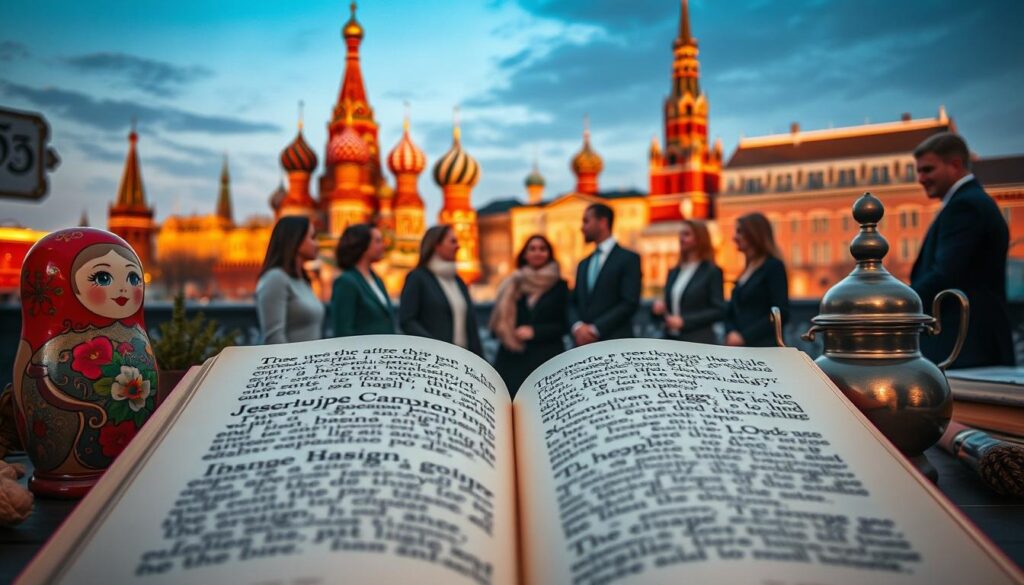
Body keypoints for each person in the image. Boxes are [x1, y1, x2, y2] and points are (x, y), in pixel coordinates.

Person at [911, 132, 1014, 367]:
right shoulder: (971, 201)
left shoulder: (964, 206)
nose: (920, 178)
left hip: (964, 342)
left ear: (955, 165)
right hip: (973, 339)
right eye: (918, 171)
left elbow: (945, 274)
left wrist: (897, 301)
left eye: (927, 169)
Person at [490, 235, 569, 397]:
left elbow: (565, 324)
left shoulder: (560, 286)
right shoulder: (513, 283)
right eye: (532, 249)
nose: (537, 253)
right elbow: (498, 321)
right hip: (512, 358)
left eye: (542, 249)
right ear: (524, 254)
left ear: (549, 254)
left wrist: (535, 332)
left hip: (547, 359)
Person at [399, 225, 484, 356]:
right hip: (433, 360)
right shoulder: (418, 278)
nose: (458, 246)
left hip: (463, 359)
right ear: (436, 245)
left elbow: (471, 327)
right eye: (452, 241)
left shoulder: (458, 281)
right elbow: (407, 320)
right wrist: (434, 346)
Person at [571, 203, 642, 345]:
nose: (582, 227)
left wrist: (595, 329)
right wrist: (578, 326)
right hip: (584, 347)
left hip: (617, 343)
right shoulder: (583, 264)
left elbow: (629, 302)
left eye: (586, 221)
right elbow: (574, 301)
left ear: (602, 222)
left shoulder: (629, 258)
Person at [651, 219, 725, 344]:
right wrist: (658, 309)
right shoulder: (674, 271)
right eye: (680, 234)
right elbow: (670, 306)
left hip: (698, 342)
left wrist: (684, 321)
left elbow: (718, 310)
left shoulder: (712, 271)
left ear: (700, 238)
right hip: (671, 340)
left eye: (686, 234)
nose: (681, 238)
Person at [724, 212, 789, 347]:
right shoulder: (746, 270)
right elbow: (731, 311)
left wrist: (744, 337)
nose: (734, 237)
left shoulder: (773, 266)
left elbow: (780, 312)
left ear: (755, 234)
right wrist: (731, 332)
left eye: (740, 232)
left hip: (762, 348)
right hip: (741, 347)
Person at [256, 216, 324, 344]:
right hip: (291, 362)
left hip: (310, 361)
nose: (317, 244)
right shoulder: (275, 278)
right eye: (312, 238)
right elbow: (273, 338)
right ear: (296, 240)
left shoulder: (302, 279)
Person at [331, 223, 396, 337]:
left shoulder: (377, 280)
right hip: (363, 353)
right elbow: (343, 331)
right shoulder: (346, 282)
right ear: (362, 246)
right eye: (378, 241)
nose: (383, 246)